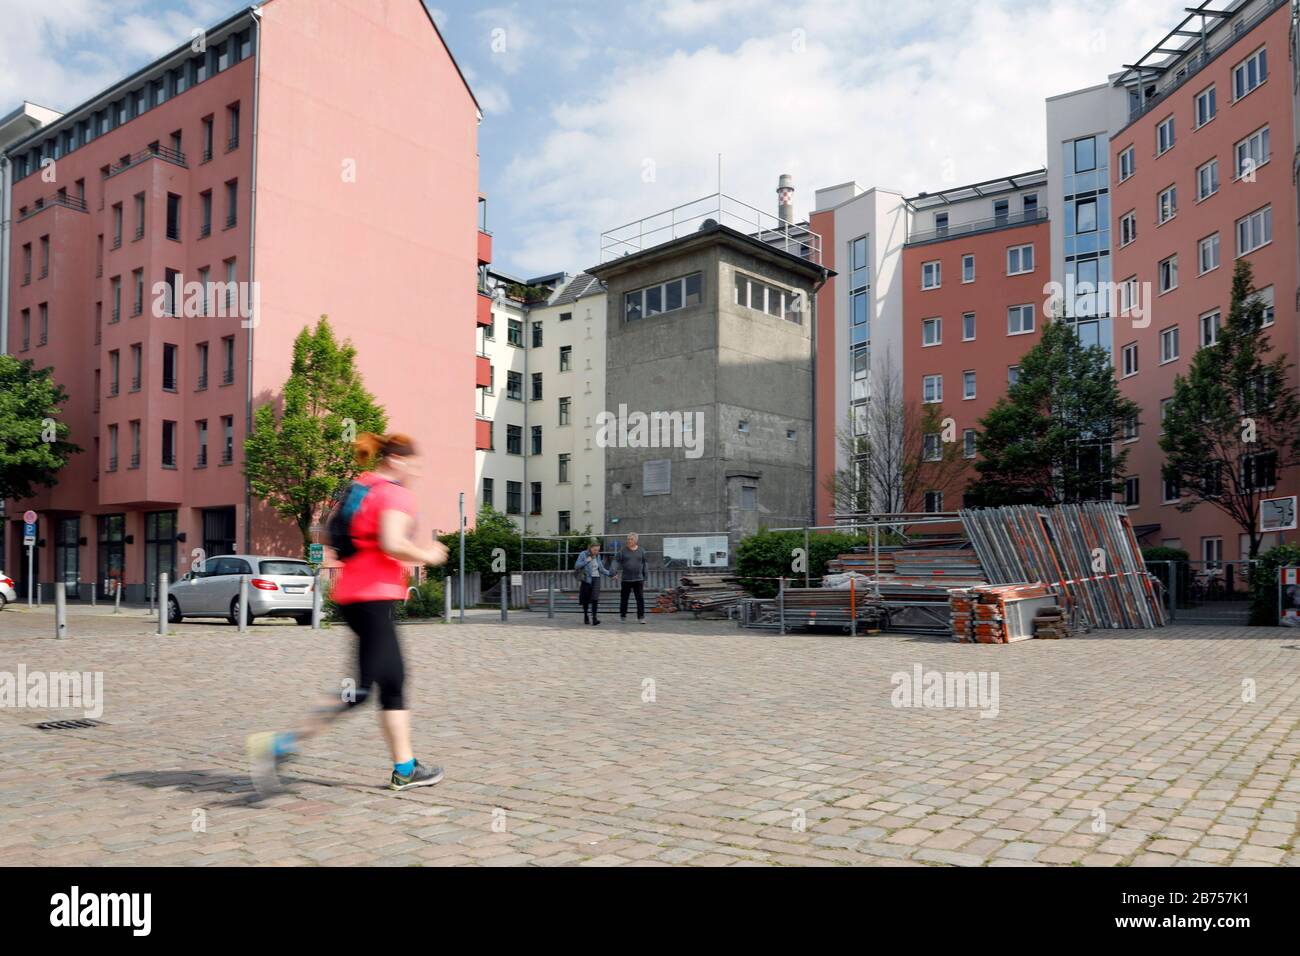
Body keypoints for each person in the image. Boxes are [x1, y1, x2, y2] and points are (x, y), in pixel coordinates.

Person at [247, 432, 450, 795]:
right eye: (414, 465)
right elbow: (391, 542)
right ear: (397, 460)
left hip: (354, 594)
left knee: (391, 681)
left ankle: (405, 767)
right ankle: (277, 747)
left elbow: (332, 536)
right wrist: (427, 554)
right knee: (360, 690)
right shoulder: (393, 493)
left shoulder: (361, 487)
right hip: (373, 598)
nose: (416, 472)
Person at [575, 541, 613, 625]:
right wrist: (586, 561)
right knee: (585, 599)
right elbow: (577, 565)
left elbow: (602, 569)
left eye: (598, 550)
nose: (597, 552)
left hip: (596, 579)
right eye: (595, 550)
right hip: (587, 579)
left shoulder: (598, 556)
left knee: (595, 598)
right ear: (590, 548)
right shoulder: (583, 554)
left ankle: (594, 618)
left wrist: (611, 574)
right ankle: (586, 615)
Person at [615, 532, 648, 624]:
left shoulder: (642, 551)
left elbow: (645, 564)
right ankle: (623, 616)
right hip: (626, 579)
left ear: (636, 540)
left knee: (640, 598)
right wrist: (613, 572)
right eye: (628, 539)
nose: (629, 541)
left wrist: (645, 577)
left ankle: (641, 617)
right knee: (624, 598)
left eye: (631, 539)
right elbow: (616, 562)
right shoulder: (622, 551)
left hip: (638, 579)